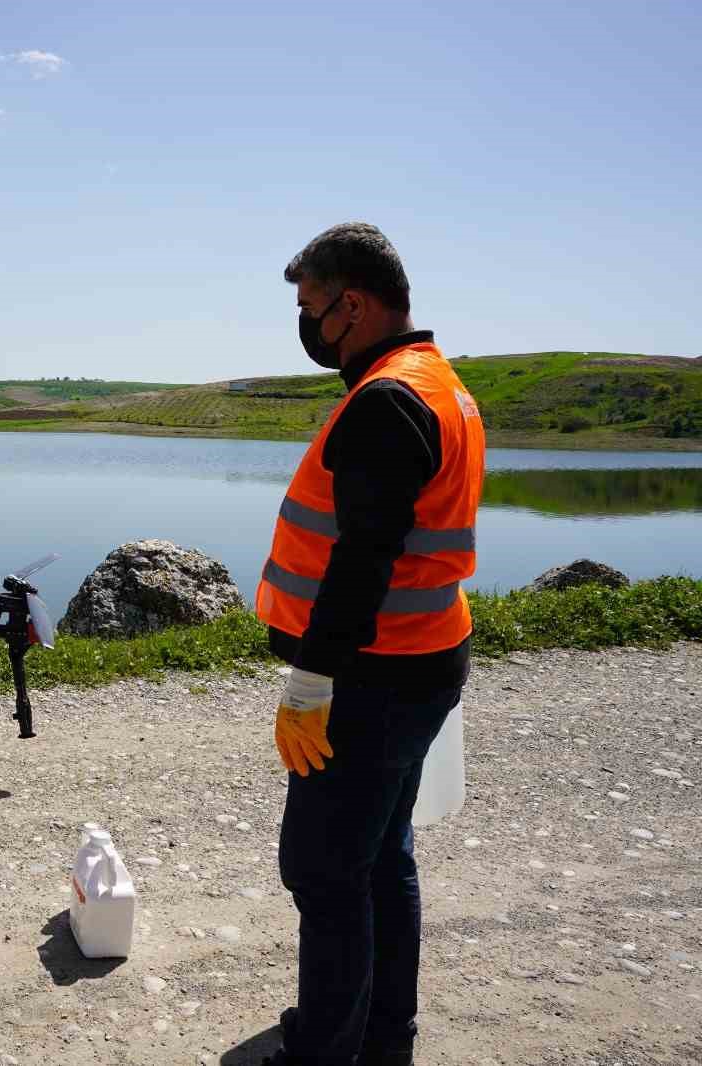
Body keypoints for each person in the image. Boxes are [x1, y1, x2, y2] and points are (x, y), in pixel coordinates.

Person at [255, 223, 486, 1066]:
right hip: (419, 661)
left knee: (324, 872)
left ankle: (324, 1051)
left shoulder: (388, 399)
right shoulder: (439, 383)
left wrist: (311, 681)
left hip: (372, 677)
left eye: (311, 306)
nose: (308, 325)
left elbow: (363, 560)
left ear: (352, 305)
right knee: (382, 857)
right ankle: (385, 1038)